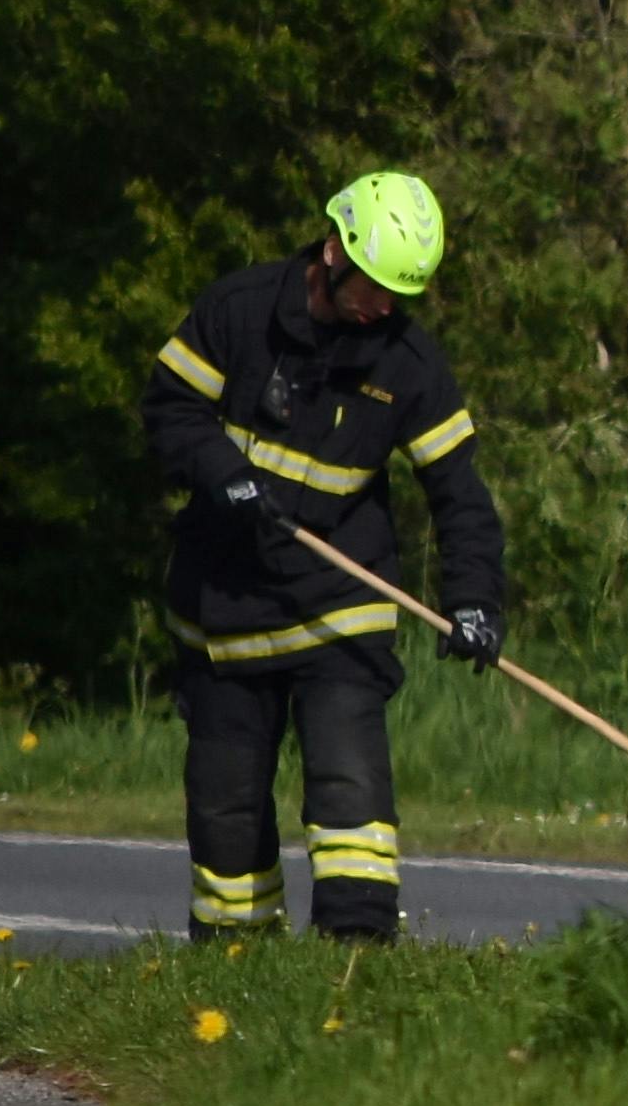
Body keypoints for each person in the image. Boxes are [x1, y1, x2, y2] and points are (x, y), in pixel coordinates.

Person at [141, 171, 509, 942]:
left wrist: (474, 598)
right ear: (334, 250)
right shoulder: (238, 312)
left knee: (351, 792)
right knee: (226, 809)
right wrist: (226, 479)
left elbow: (459, 493)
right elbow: (171, 409)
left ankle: (356, 964)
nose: (382, 306)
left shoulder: (408, 361)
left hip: (344, 599)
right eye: (373, 285)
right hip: (226, 609)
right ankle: (234, 969)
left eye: (399, 293)